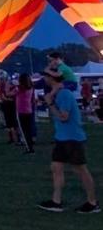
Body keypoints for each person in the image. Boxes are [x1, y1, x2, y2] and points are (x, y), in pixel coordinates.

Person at [38, 70, 99, 213]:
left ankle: (92, 203)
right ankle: (56, 201)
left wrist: (50, 103)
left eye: (46, 76)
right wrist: (51, 97)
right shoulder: (59, 92)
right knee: (56, 168)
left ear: (51, 79)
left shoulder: (64, 94)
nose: (44, 79)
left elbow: (63, 117)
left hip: (72, 138)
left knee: (81, 170)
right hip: (62, 137)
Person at [16, 73, 37, 154]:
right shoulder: (31, 88)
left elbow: (9, 93)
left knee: (24, 130)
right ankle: (30, 145)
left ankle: (29, 148)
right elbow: (33, 100)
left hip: (21, 111)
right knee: (28, 129)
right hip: (29, 110)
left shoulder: (19, 88)